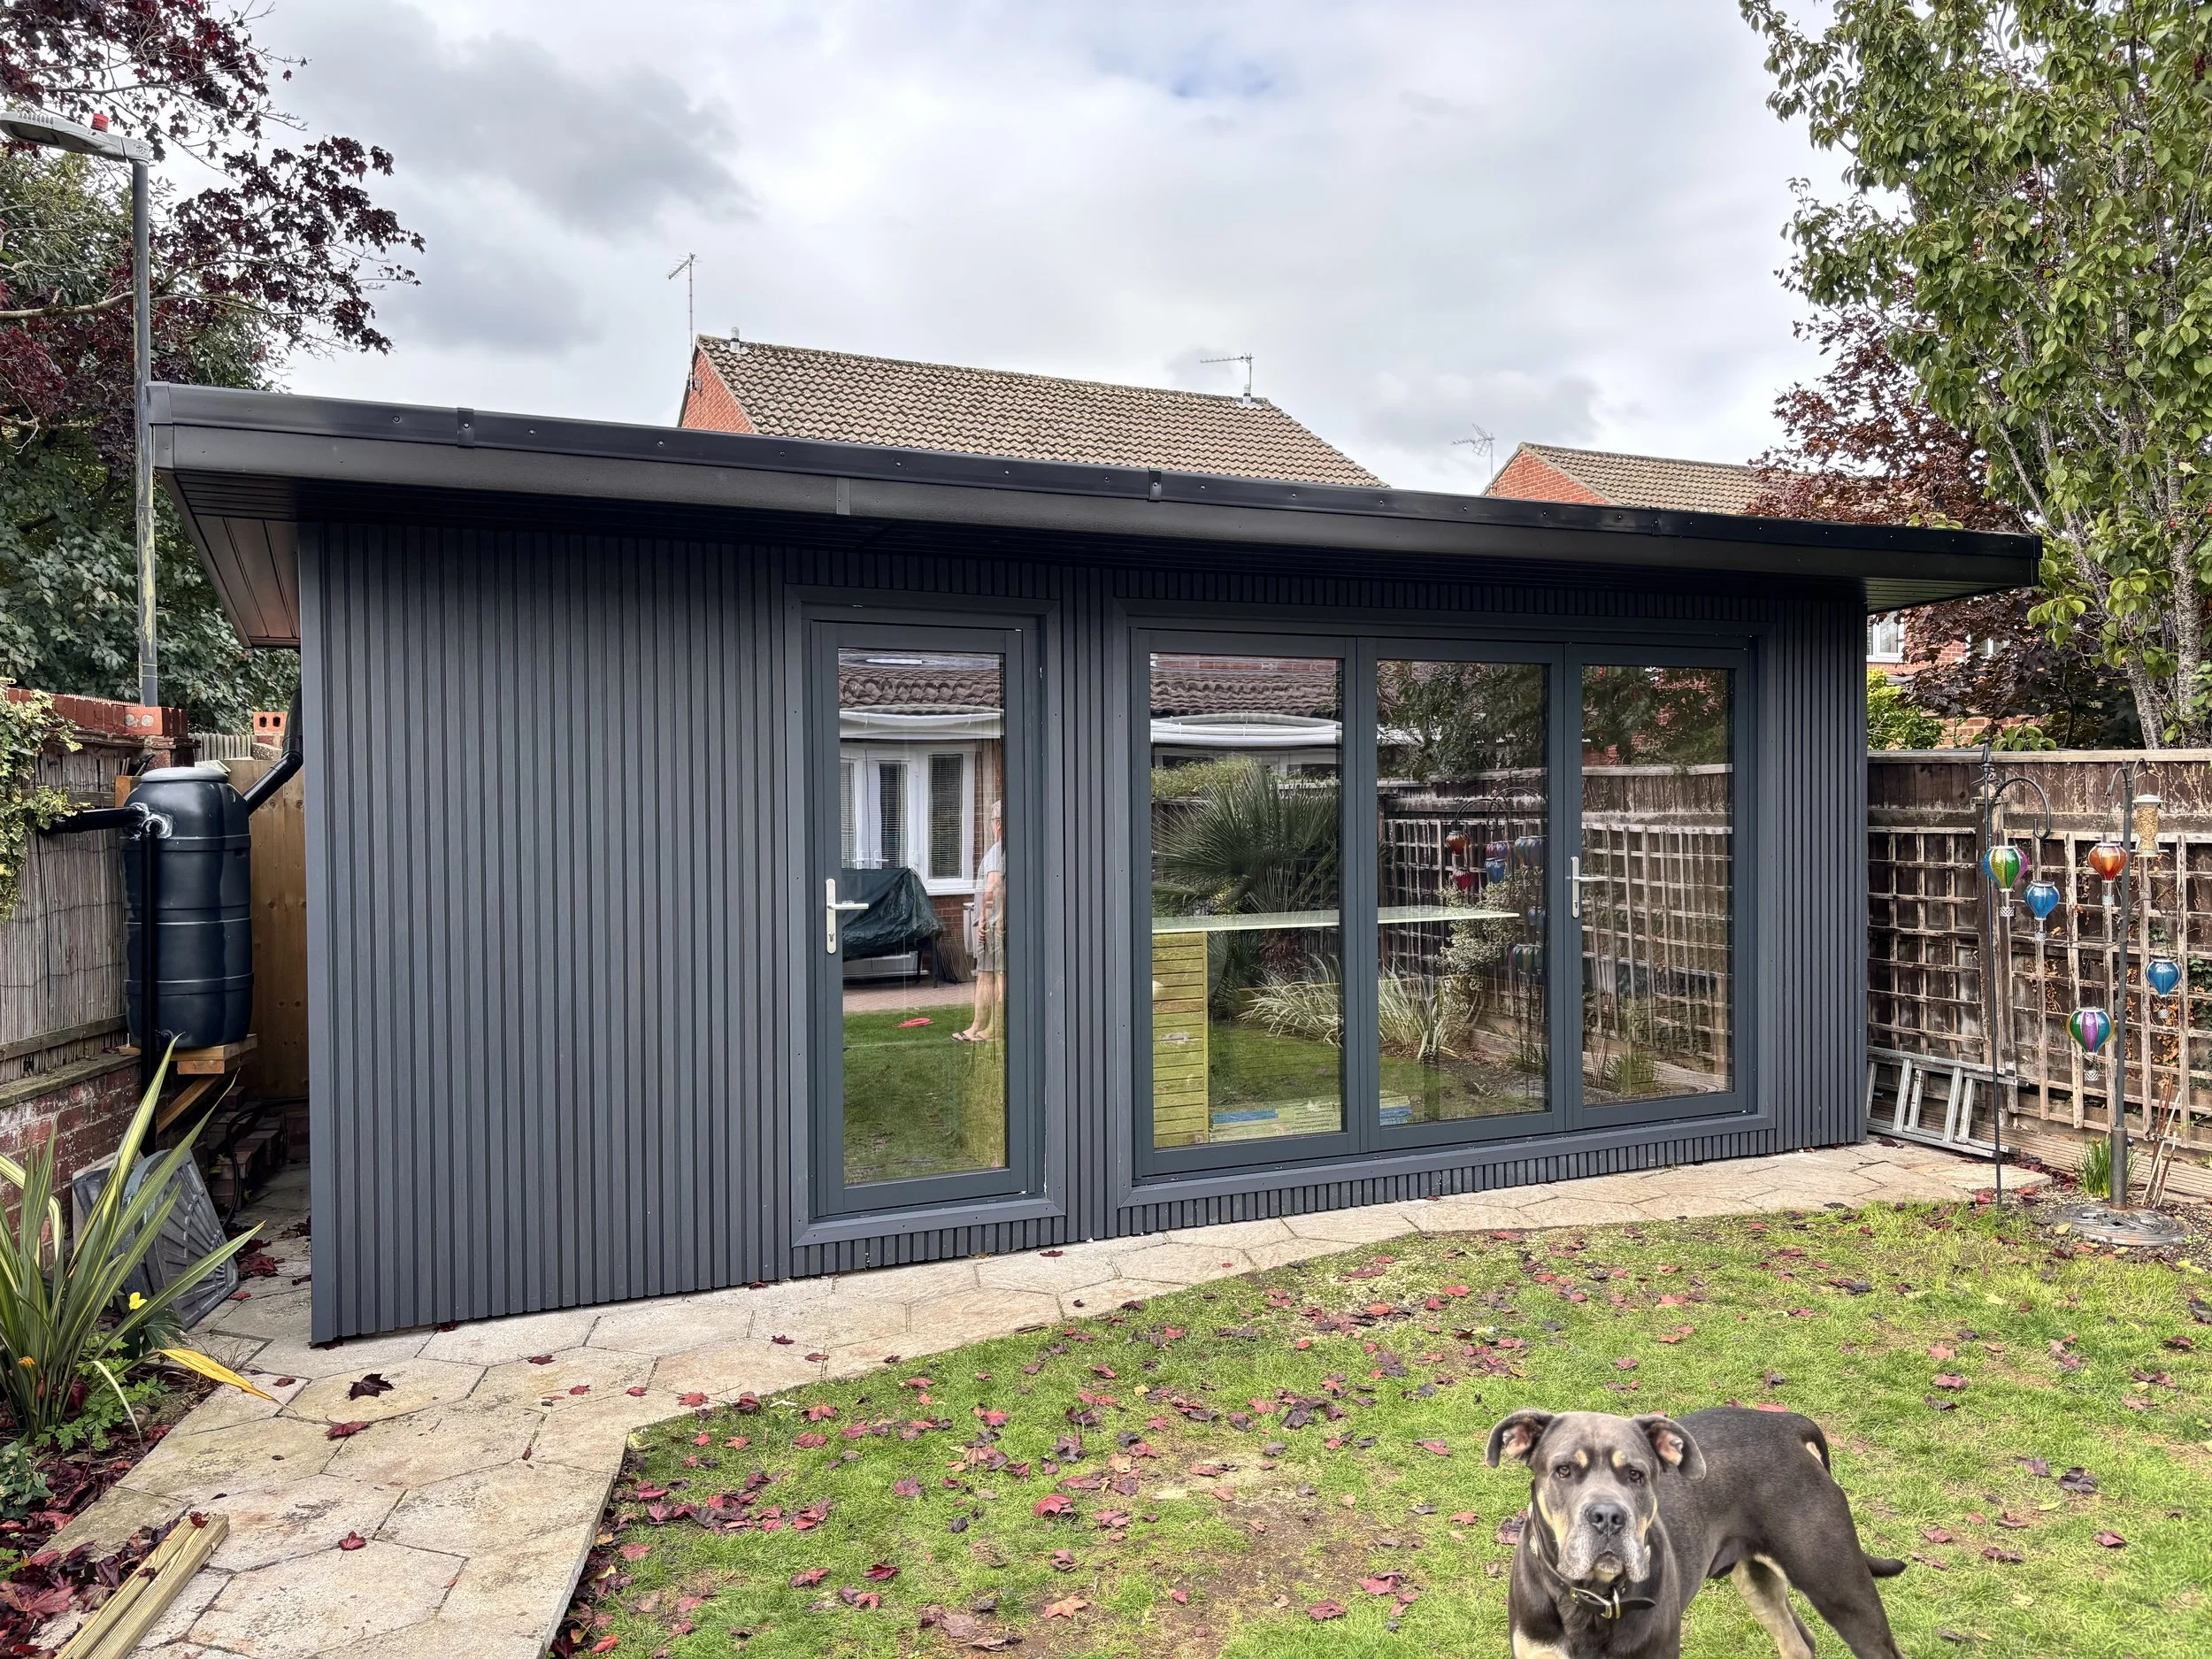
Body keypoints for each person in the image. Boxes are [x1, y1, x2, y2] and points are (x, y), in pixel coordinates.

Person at [956, 799, 1005, 1041]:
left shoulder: (998, 851)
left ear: (997, 824)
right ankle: (978, 1026)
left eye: (993, 821)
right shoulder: (1000, 850)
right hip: (994, 923)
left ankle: (994, 1030)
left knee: (997, 978)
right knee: (986, 976)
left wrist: (984, 918)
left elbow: (994, 886)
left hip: (994, 925)